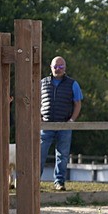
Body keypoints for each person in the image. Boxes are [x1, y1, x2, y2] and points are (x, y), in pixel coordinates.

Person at [40, 56, 82, 191]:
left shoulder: (73, 84)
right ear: (50, 67)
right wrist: (38, 117)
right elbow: (35, 102)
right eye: (56, 67)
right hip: (46, 124)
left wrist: (72, 121)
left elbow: (78, 103)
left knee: (62, 156)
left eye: (61, 67)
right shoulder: (42, 83)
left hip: (64, 124)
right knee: (40, 154)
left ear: (65, 68)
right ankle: (35, 181)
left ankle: (59, 182)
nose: (58, 69)